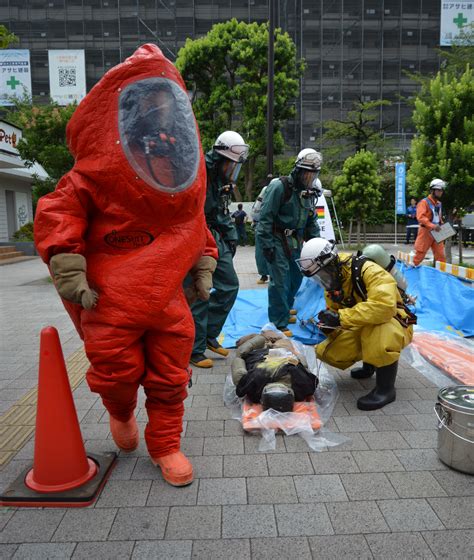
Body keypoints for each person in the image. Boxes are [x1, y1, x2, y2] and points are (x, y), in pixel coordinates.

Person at [34, 44, 218, 487]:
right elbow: (61, 209)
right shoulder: (97, 169)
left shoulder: (177, 164)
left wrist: (203, 262)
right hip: (109, 297)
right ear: (129, 107)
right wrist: (68, 264)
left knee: (171, 377)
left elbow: (190, 218)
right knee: (115, 374)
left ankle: (166, 445)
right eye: (150, 101)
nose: (159, 109)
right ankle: (120, 411)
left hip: (168, 298)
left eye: (164, 100)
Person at [296, 238, 415, 410]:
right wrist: (330, 325)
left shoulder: (368, 270)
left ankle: (386, 389)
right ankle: (370, 366)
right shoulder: (334, 282)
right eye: (317, 277)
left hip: (394, 321)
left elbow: (384, 308)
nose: (322, 280)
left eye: (322, 274)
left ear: (332, 263)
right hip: (368, 322)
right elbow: (342, 317)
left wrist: (340, 317)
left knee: (380, 330)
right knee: (329, 351)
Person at [188, 131, 249, 368]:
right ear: (222, 158)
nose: (233, 171)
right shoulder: (199, 171)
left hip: (215, 235)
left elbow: (222, 212)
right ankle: (195, 348)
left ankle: (209, 334)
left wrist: (231, 238)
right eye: (232, 165)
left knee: (230, 285)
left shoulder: (222, 179)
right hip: (195, 234)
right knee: (202, 289)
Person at [256, 148, 322, 336]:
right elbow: (265, 217)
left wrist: (317, 244)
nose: (309, 177)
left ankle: (285, 309)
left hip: (296, 241)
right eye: (306, 173)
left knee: (296, 277)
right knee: (280, 280)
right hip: (277, 239)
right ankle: (278, 321)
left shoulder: (309, 193)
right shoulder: (279, 187)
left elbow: (311, 221)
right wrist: (266, 245)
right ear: (298, 170)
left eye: (313, 174)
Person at [413, 179, 447, 266]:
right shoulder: (424, 202)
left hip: (437, 231)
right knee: (419, 255)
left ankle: (441, 277)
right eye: (439, 190)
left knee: (441, 256)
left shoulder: (439, 203)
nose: (441, 192)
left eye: (441, 190)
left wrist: (443, 225)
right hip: (426, 232)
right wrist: (432, 226)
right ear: (432, 190)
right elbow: (421, 217)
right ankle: (410, 274)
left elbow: (438, 217)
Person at [252, 176, 272, 284]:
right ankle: (264, 275)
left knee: (266, 252)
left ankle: (268, 275)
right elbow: (256, 211)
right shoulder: (267, 191)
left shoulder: (268, 191)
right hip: (262, 225)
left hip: (267, 226)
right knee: (261, 253)